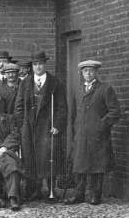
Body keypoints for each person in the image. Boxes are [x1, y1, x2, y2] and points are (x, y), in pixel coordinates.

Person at [66, 60, 121, 205]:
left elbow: (115, 112)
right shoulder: (78, 90)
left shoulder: (105, 89)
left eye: (91, 71)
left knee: (98, 165)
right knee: (79, 164)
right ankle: (79, 194)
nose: (88, 74)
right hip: (81, 134)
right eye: (85, 71)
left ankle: (95, 195)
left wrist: (101, 125)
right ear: (82, 73)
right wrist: (74, 131)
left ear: (96, 72)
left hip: (98, 136)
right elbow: (72, 113)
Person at [14, 51, 66, 201]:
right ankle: (33, 190)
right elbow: (18, 106)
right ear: (32, 66)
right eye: (35, 64)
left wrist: (57, 125)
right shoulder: (25, 83)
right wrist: (22, 124)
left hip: (48, 127)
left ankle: (51, 190)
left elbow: (62, 107)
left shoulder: (55, 83)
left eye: (40, 64)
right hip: (29, 127)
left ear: (45, 64)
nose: (38, 67)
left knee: (49, 157)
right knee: (30, 158)